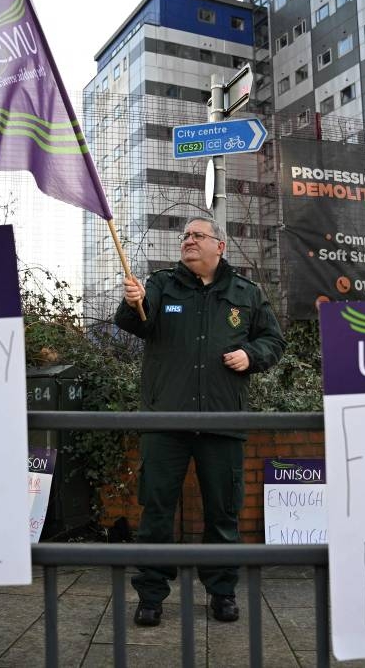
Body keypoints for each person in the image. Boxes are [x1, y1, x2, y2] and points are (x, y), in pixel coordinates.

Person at [114, 216, 286, 627]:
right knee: (156, 511)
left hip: (221, 421)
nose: (188, 241)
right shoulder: (161, 285)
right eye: (185, 236)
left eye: (197, 236)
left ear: (219, 247)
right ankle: (151, 595)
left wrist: (252, 356)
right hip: (165, 421)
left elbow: (273, 341)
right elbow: (135, 321)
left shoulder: (246, 293)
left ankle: (222, 592)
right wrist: (133, 298)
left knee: (223, 512)